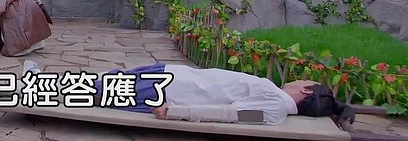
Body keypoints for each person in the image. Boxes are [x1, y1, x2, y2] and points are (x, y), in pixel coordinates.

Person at [90, 63, 356, 130]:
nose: (301, 78)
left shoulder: (274, 108)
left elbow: (231, 114)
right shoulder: (275, 98)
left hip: (173, 88)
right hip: (175, 77)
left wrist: (176, 112)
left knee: (101, 90)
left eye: (307, 80)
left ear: (306, 90)